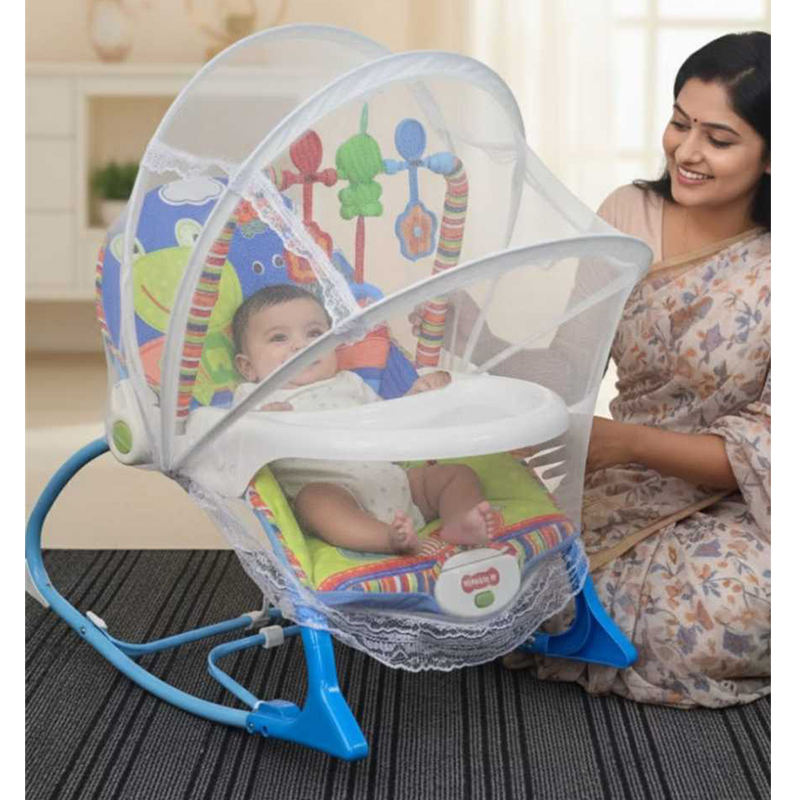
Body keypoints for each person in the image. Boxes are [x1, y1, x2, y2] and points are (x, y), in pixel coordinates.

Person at [414, 31, 771, 708]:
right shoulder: (628, 213)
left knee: (725, 617)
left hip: (750, 507)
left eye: (719, 139)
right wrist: (475, 336)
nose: (687, 152)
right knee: (490, 557)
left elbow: (770, 451)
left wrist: (625, 440)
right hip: (622, 481)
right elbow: (568, 366)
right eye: (680, 123)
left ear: (776, 155)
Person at [232, 283, 499, 556]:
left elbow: (388, 421)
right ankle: (388, 539)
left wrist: (414, 397)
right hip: (336, 493)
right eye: (279, 338)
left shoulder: (350, 382)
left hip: (395, 483)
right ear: (247, 366)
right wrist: (262, 423)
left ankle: (460, 521)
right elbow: (233, 449)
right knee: (314, 501)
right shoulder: (252, 398)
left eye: (315, 334)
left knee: (457, 475)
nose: (302, 345)